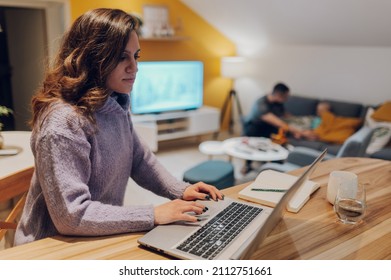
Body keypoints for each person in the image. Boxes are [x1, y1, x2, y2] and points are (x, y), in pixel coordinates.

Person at [14, 8, 223, 246]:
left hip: (97, 232)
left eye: (136, 56)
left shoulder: (115, 101)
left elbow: (139, 158)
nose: (134, 67)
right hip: (50, 246)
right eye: (122, 57)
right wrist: (153, 214)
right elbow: (72, 216)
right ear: (92, 57)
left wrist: (181, 190)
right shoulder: (62, 122)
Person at [241, 83, 303, 174]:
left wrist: (296, 123)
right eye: (286, 96)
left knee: (278, 138)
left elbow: (285, 116)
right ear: (278, 95)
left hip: (268, 127)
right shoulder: (261, 103)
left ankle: (274, 164)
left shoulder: (278, 103)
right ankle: (247, 165)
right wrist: (299, 132)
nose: (287, 99)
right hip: (254, 127)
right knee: (255, 133)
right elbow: (277, 122)